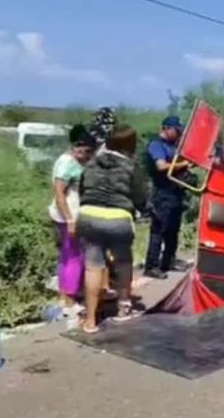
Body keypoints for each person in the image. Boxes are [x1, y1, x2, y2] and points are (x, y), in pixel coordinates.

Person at [77, 125, 148, 333]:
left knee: (93, 267)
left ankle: (90, 321)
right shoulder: (132, 167)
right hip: (118, 219)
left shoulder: (90, 163)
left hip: (89, 215)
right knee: (123, 263)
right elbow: (140, 198)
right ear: (130, 145)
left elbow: (83, 190)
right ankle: (122, 310)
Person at [48, 124, 96, 316]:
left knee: (68, 256)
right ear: (78, 146)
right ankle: (69, 298)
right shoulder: (67, 163)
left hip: (71, 214)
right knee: (74, 258)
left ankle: (66, 294)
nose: (88, 156)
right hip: (68, 215)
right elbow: (59, 194)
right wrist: (70, 220)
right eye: (87, 152)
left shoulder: (70, 161)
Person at [143, 115, 190, 280]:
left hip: (175, 193)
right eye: (176, 131)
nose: (178, 134)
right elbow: (161, 166)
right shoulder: (156, 145)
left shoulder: (172, 146)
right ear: (166, 129)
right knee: (159, 230)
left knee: (173, 230)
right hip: (161, 193)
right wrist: (183, 165)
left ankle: (168, 261)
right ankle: (151, 265)